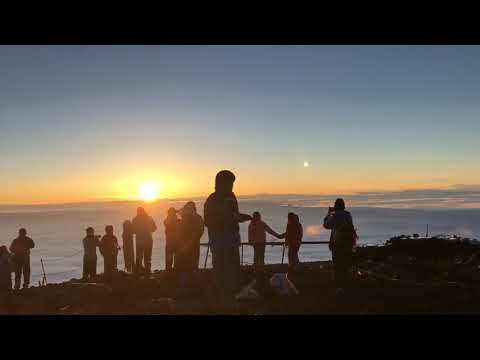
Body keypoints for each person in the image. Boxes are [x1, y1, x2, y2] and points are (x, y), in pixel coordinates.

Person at [204, 170, 252, 298]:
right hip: (219, 243)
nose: (231, 186)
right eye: (229, 183)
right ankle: (221, 296)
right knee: (220, 271)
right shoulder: (212, 199)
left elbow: (233, 216)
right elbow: (208, 221)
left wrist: (242, 217)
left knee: (234, 269)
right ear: (220, 183)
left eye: (232, 184)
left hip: (232, 242)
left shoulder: (231, 197)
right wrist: (228, 218)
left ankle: (233, 294)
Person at [323, 198, 357, 289]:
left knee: (337, 266)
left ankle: (339, 287)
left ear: (335, 206)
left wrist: (329, 213)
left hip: (338, 244)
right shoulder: (348, 214)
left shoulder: (334, 215)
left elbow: (326, 225)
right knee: (346, 265)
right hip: (348, 244)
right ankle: (347, 285)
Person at [176, 201, 204, 296]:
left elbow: (179, 233)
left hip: (184, 247)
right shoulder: (198, 218)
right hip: (193, 246)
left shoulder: (184, 219)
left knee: (184, 268)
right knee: (193, 267)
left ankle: (184, 289)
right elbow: (200, 231)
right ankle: (194, 289)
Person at [132, 207, 157, 275]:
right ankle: (147, 273)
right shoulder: (149, 218)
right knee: (148, 258)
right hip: (148, 241)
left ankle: (138, 273)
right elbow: (154, 228)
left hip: (139, 241)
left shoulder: (135, 220)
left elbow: (133, 231)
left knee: (139, 257)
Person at [164, 208, 181, 272]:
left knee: (169, 260)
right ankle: (175, 273)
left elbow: (166, 222)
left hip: (170, 243)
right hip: (176, 243)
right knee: (176, 260)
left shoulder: (167, 220)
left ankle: (169, 273)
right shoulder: (178, 221)